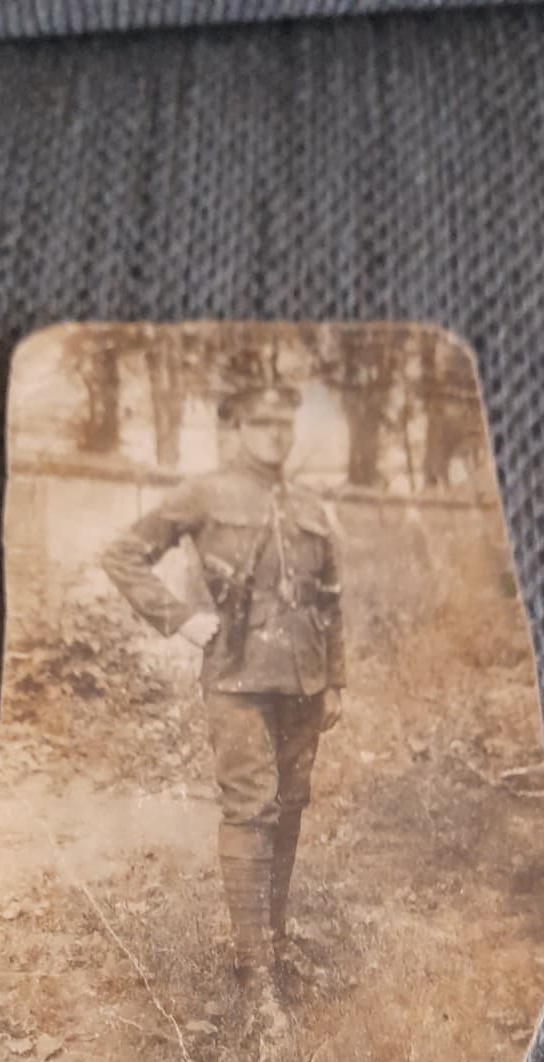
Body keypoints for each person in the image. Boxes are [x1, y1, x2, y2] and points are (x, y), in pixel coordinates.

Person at [101, 383, 346, 1023]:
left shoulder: (309, 505)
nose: (275, 434)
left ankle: (276, 945)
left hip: (303, 680)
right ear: (237, 429)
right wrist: (180, 619)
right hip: (237, 677)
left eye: (284, 423)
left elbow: (329, 598)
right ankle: (253, 970)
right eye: (261, 423)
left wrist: (335, 679)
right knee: (250, 807)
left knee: (289, 807)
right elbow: (123, 555)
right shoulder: (205, 494)